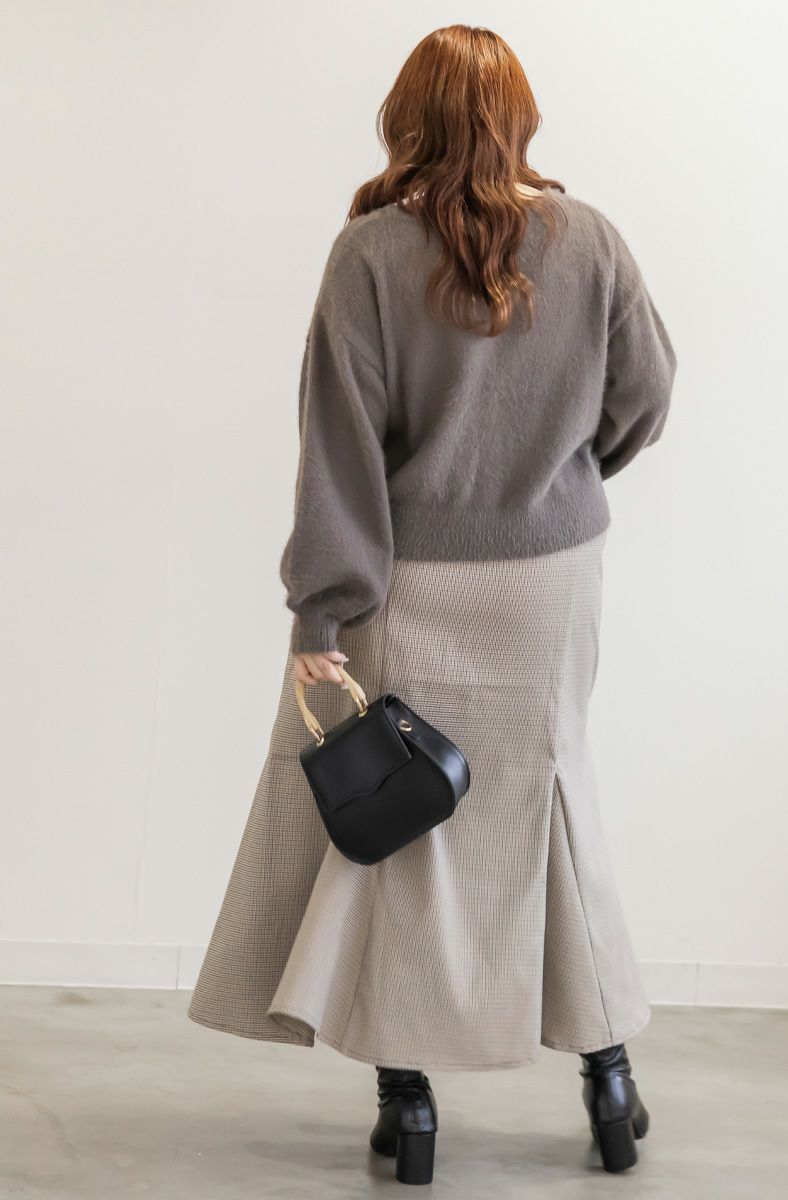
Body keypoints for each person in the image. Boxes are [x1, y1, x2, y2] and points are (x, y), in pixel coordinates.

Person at [188, 23, 677, 1185]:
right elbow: (648, 394)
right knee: (556, 807)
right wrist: (563, 481)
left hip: (408, 581)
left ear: (407, 119)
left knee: (405, 827)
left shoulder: (367, 253)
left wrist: (322, 613)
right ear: (520, 118)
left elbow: (339, 451)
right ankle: (609, 1082)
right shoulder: (591, 239)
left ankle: (407, 1106)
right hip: (551, 582)